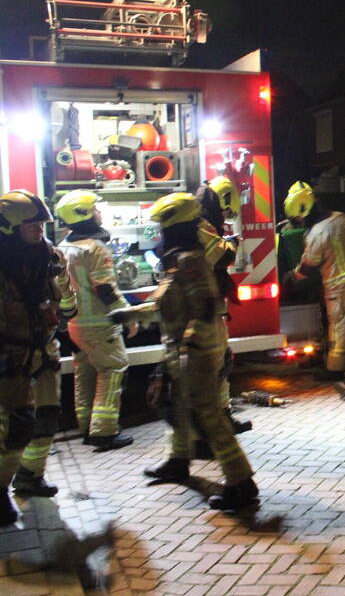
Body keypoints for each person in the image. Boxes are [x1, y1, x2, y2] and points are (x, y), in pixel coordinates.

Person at [111, 192, 258, 511]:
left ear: (174, 227)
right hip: (182, 350)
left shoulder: (189, 261)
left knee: (209, 417)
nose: (159, 233)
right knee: (177, 408)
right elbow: (165, 304)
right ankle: (178, 462)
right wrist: (128, 314)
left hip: (196, 352)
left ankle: (241, 483)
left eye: (162, 228)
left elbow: (204, 308)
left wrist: (189, 349)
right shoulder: (177, 259)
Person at [0, 190, 75, 523]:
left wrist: (68, 311)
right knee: (16, 425)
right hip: (11, 354)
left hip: (44, 348)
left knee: (47, 415)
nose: (39, 230)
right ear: (9, 228)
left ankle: (31, 475)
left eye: (41, 224)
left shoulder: (51, 257)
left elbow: (66, 295)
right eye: (31, 225)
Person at [55, 190, 137, 451]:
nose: (99, 213)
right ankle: (104, 432)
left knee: (85, 373)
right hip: (100, 324)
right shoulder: (96, 248)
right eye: (95, 209)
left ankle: (86, 427)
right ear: (85, 214)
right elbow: (106, 289)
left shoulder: (63, 247)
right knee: (112, 369)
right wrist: (128, 316)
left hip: (75, 325)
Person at [284, 181, 345, 380]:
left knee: (338, 328)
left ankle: (335, 371)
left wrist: (291, 278)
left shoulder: (317, 233)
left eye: (298, 218)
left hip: (339, 286)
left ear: (304, 212)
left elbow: (308, 265)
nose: (299, 221)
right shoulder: (341, 218)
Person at [195, 176, 251, 436]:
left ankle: (222, 416)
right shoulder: (203, 225)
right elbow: (221, 256)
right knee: (218, 363)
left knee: (220, 363)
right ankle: (217, 421)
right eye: (226, 211)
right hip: (207, 305)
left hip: (206, 304)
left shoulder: (197, 222)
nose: (226, 216)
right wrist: (232, 242)